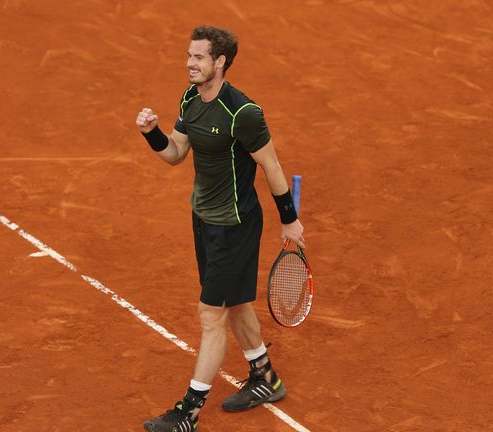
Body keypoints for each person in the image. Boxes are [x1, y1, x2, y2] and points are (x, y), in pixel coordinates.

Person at [135, 25, 305, 432]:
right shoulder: (191, 99)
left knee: (212, 314)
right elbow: (176, 153)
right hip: (204, 220)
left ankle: (189, 412)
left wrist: (289, 218)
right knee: (236, 303)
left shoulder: (243, 113)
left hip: (235, 225)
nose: (189, 63)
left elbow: (272, 165)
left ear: (220, 61)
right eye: (189, 55)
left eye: (198, 57)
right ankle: (265, 376)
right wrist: (151, 133)